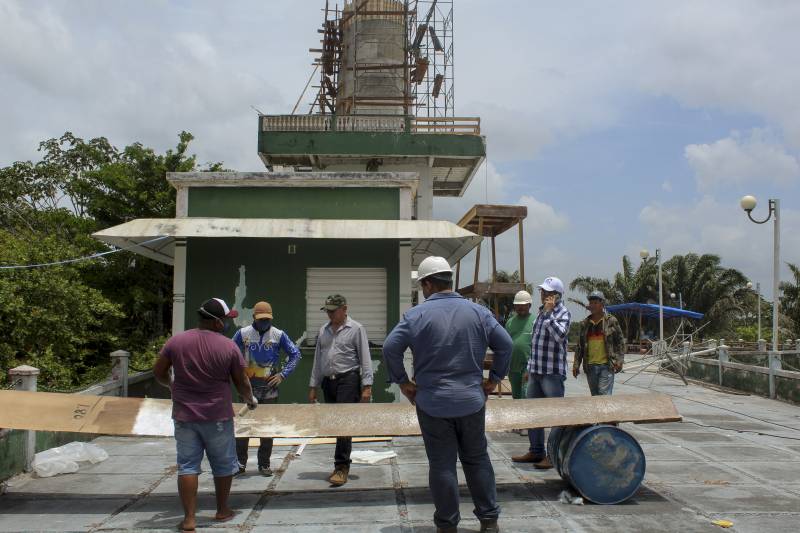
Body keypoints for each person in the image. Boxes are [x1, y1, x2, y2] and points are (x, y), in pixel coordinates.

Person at [382, 256, 512, 533]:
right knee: (477, 459)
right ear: (449, 281)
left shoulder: (415, 315)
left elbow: (390, 348)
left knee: (442, 466)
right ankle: (489, 521)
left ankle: (447, 526)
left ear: (428, 284)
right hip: (471, 401)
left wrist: (404, 383)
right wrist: (495, 379)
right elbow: (506, 344)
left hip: (432, 404)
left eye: (422, 285)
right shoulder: (478, 312)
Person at [153, 298, 258, 533]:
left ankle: (189, 519)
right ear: (217, 322)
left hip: (184, 416)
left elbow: (158, 371)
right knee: (222, 465)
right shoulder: (228, 346)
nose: (228, 323)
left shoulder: (176, 341)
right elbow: (241, 381)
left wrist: (171, 386)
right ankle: (222, 510)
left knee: (188, 466)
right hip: (217, 416)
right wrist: (250, 400)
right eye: (226, 319)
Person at [308, 294, 373, 487]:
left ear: (344, 309)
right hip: (329, 382)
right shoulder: (323, 331)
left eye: (333, 310)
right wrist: (313, 386)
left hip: (349, 380)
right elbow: (318, 361)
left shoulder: (356, 329)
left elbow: (365, 358)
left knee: (344, 423)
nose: (329, 314)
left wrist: (367, 387)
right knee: (335, 423)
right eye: (327, 310)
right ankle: (340, 463)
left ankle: (342, 466)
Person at [233, 300, 301, 476]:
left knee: (267, 427)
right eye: (261, 319)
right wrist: (238, 374)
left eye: (267, 319)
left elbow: (295, 354)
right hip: (247, 388)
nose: (264, 322)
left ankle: (264, 464)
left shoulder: (278, 334)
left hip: (270, 388)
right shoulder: (243, 333)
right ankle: (240, 463)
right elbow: (229, 352)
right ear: (254, 317)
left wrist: (283, 374)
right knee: (243, 427)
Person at [512, 276, 571, 469]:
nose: (543, 295)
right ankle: (536, 451)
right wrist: (529, 368)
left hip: (552, 373)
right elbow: (535, 344)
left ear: (557, 295)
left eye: (547, 292)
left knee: (555, 415)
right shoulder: (540, 313)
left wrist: (548, 314)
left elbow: (559, 336)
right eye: (542, 292)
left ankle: (553, 456)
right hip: (536, 371)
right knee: (533, 414)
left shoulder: (562, 313)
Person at [572, 290, 625, 395]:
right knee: (595, 396)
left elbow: (620, 342)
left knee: (604, 395)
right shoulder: (585, 324)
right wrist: (576, 365)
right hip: (590, 367)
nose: (592, 305)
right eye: (591, 303)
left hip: (607, 366)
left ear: (602, 304)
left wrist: (619, 361)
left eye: (595, 303)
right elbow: (580, 347)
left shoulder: (611, 321)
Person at [505, 290, 535, 400]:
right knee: (516, 398)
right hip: (513, 367)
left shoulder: (535, 321)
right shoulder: (510, 322)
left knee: (526, 396)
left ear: (530, 305)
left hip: (528, 367)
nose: (520, 307)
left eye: (523, 305)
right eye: (517, 305)